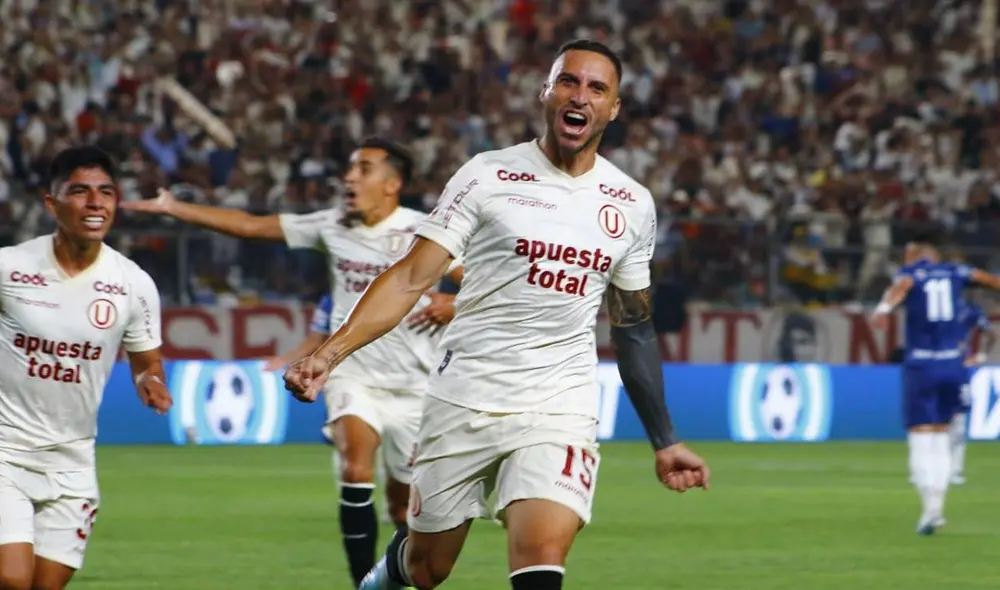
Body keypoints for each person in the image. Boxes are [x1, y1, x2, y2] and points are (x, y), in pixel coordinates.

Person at [284, 39, 710, 590]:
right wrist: (329, 354)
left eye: (596, 88)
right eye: (568, 81)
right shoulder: (488, 175)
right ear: (546, 93)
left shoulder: (630, 204)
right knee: (427, 568)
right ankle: (384, 576)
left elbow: (633, 326)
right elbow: (411, 277)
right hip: (464, 394)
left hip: (560, 405)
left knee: (540, 552)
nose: (580, 96)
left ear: (614, 108)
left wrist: (665, 439)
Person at [121, 137, 460, 586]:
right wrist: (176, 208)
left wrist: (455, 304)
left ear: (392, 183)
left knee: (402, 508)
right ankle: (361, 582)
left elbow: (484, 280)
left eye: (363, 169)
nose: (349, 177)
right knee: (355, 467)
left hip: (415, 385)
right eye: (350, 168)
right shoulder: (331, 225)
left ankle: (387, 579)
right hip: (351, 375)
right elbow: (251, 225)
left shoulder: (424, 232)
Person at [0, 146, 171, 590]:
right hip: (6, 452)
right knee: (12, 578)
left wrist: (150, 381)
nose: (95, 203)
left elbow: (146, 361)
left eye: (106, 192)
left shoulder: (133, 284)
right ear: (51, 203)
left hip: (73, 461)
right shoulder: (10, 268)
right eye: (79, 191)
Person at [871, 233, 1000, 535]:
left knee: (920, 437)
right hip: (953, 363)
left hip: (922, 363)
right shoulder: (956, 271)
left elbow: (901, 287)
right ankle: (938, 509)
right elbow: (988, 279)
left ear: (916, 256)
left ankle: (929, 509)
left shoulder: (911, 273)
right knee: (942, 435)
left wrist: (883, 309)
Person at [952, 293, 994, 485]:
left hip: (958, 370)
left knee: (958, 423)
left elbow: (991, 333)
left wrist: (981, 356)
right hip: (937, 368)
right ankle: (931, 469)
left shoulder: (968, 310)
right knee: (934, 422)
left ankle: (955, 470)